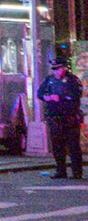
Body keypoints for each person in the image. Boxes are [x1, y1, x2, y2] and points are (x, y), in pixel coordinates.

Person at [38, 48, 83, 181]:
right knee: (58, 146)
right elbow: (40, 93)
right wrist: (49, 97)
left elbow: (76, 96)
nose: (56, 71)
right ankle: (61, 170)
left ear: (64, 68)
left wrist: (61, 98)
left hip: (69, 118)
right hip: (55, 117)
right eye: (55, 69)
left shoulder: (72, 80)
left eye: (59, 69)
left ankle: (77, 172)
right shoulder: (50, 80)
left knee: (73, 146)